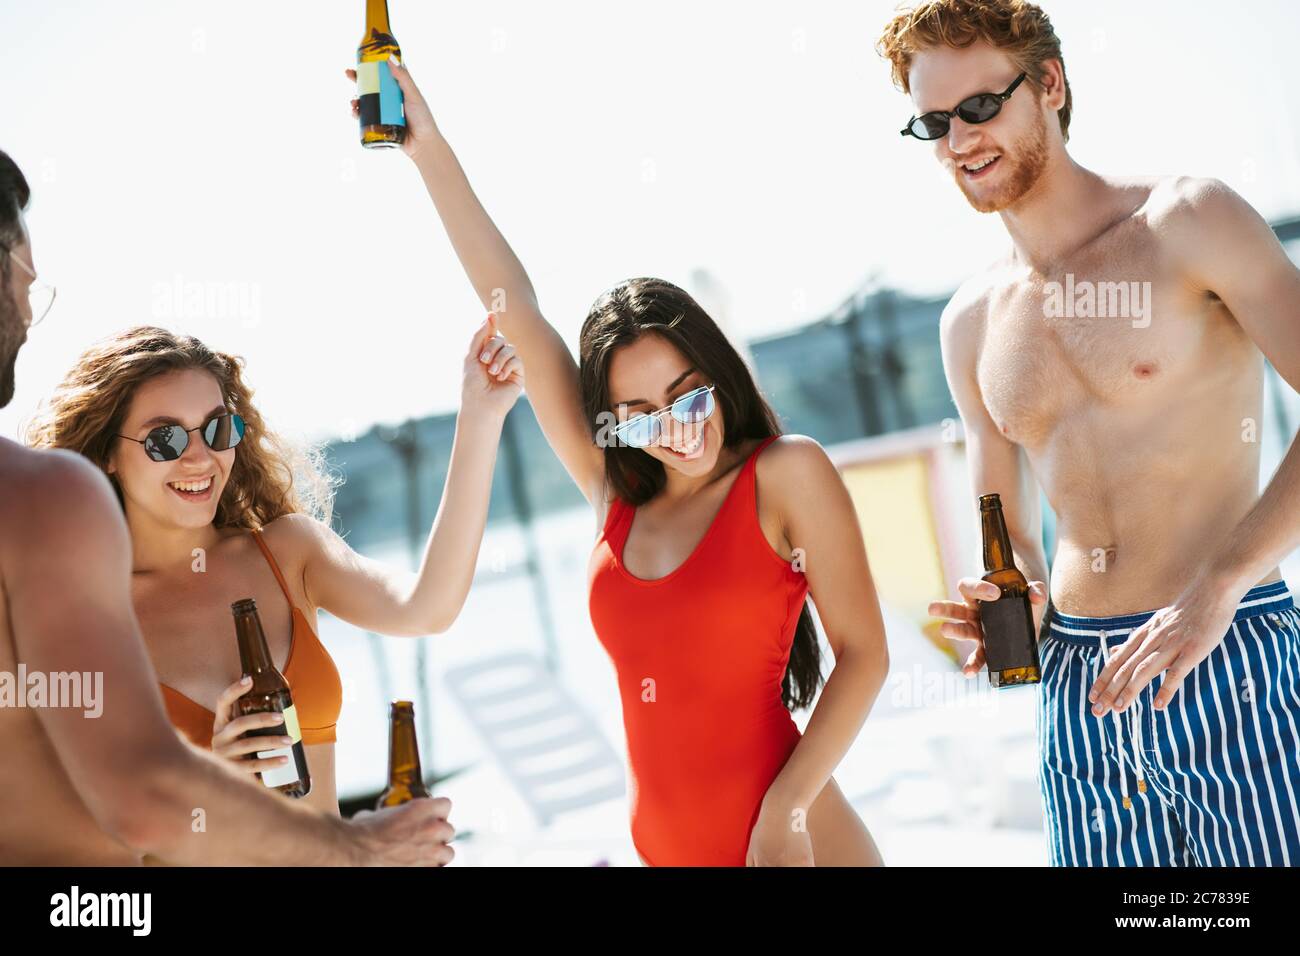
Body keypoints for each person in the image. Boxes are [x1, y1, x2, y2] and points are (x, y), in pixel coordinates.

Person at [344, 59, 890, 867]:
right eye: (640, 418)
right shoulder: (615, 499)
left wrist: (785, 812)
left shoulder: (784, 474)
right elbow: (513, 306)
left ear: (718, 374)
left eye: (688, 395)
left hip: (791, 849)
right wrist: (427, 150)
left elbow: (867, 656)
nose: (676, 430)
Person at [878, 0, 1300, 865]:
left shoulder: (1188, 222)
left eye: (980, 107)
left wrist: (1216, 587)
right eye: (935, 122)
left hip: (1232, 655)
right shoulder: (969, 325)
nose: (959, 140)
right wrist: (1010, 602)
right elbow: (1014, 542)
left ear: (1050, 85)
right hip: (1080, 701)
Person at [0, 148, 454, 865]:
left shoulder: (285, 554)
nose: (199, 456)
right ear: (106, 452)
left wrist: (483, 413)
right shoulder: (79, 593)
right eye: (163, 439)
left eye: (217, 429)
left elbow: (426, 607)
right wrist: (209, 779)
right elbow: (117, 828)